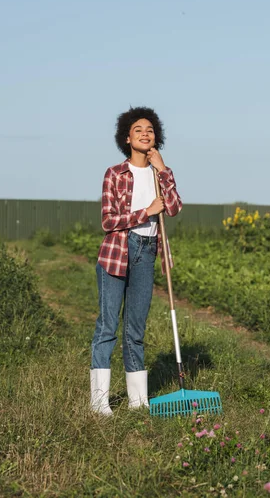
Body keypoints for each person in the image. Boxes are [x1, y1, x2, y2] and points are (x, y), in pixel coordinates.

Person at [90, 107, 182, 415]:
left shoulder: (159, 173)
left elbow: (173, 209)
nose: (146, 133)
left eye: (151, 130)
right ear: (127, 138)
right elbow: (108, 221)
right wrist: (146, 212)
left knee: (135, 330)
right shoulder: (114, 173)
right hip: (117, 250)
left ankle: (137, 402)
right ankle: (99, 404)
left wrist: (164, 169)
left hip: (147, 250)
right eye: (139, 129)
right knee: (107, 327)